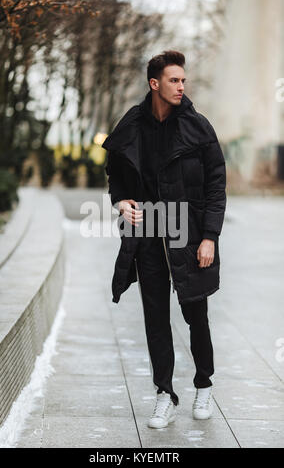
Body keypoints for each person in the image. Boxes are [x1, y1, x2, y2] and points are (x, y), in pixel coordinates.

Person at [102, 50, 227, 429]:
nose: (181, 86)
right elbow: (116, 175)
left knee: (195, 312)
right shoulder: (132, 125)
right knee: (155, 317)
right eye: (174, 80)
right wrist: (120, 201)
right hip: (148, 234)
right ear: (154, 83)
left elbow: (216, 186)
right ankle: (164, 394)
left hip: (188, 234)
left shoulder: (198, 127)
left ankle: (203, 383)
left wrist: (209, 237)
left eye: (183, 80)